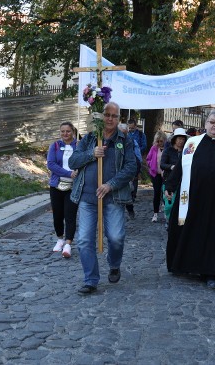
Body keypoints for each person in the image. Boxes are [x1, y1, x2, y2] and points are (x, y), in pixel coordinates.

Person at [164, 111, 215, 289]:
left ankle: (212, 273)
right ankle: (188, 265)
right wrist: (170, 186)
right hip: (193, 199)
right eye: (212, 122)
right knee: (192, 233)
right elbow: (181, 167)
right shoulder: (192, 143)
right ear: (206, 124)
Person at [68, 102, 137, 295]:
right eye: (107, 115)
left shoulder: (125, 139)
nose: (110, 119)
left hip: (113, 197)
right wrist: (92, 154)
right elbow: (73, 160)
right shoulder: (90, 138)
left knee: (115, 237)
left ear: (119, 119)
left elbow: (131, 167)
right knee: (83, 240)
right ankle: (90, 279)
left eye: (114, 116)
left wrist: (110, 184)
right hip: (87, 197)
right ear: (101, 116)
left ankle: (114, 264)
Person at [46, 122, 79, 258]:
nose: (65, 134)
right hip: (57, 185)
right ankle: (60, 238)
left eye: (68, 131)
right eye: (63, 131)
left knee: (70, 215)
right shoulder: (55, 146)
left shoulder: (79, 146)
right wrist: (68, 173)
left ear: (73, 132)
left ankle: (68, 243)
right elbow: (51, 164)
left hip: (73, 186)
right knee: (57, 215)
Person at [160, 128, 189, 224]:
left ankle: (177, 223)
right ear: (174, 139)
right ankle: (169, 220)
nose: (181, 141)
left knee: (182, 204)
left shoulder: (187, 151)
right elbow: (162, 164)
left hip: (183, 182)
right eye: (179, 138)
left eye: (183, 139)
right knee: (169, 205)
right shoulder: (168, 150)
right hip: (168, 181)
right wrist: (171, 167)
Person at [119, 123, 143, 220]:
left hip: (127, 172)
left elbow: (137, 157)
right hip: (116, 172)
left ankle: (130, 210)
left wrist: (135, 172)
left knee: (127, 194)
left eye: (124, 133)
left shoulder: (131, 142)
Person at [146, 131, 167, 223]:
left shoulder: (168, 149)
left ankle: (166, 212)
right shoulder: (154, 148)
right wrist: (152, 165)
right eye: (157, 141)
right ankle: (155, 213)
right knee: (157, 193)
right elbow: (148, 159)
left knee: (166, 193)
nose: (159, 143)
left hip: (165, 174)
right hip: (155, 174)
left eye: (161, 141)